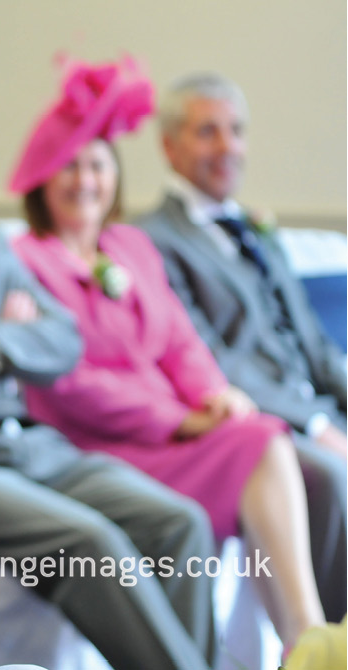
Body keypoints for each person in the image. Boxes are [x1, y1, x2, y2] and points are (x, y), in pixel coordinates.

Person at [0, 57, 216, 669]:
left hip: (33, 444)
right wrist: (6, 345)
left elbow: (63, 342)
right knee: (97, 545)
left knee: (179, 523)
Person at [9, 56, 338, 655]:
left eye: (98, 165)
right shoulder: (27, 259)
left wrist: (214, 395)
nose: (86, 180)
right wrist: (180, 419)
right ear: (44, 179)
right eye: (71, 167)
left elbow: (181, 340)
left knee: (258, 429)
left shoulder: (129, 244)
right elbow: (68, 382)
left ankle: (306, 637)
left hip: (178, 430)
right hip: (104, 441)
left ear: (115, 175)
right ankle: (303, 641)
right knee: (261, 440)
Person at [135, 73, 348, 623]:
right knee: (332, 474)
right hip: (263, 417)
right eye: (208, 132)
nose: (228, 147)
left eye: (236, 131)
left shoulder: (258, 230)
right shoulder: (153, 238)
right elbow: (210, 361)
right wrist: (313, 424)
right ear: (170, 145)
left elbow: (316, 346)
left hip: (316, 407)